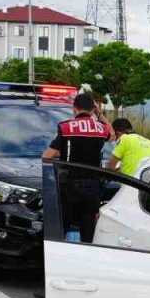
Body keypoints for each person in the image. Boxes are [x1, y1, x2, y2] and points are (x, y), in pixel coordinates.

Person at [42, 92, 113, 244]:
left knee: (64, 226)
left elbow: (47, 156)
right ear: (93, 109)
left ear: (75, 109)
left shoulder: (65, 127)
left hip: (69, 186)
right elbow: (112, 134)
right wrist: (100, 115)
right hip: (93, 186)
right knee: (88, 229)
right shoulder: (101, 128)